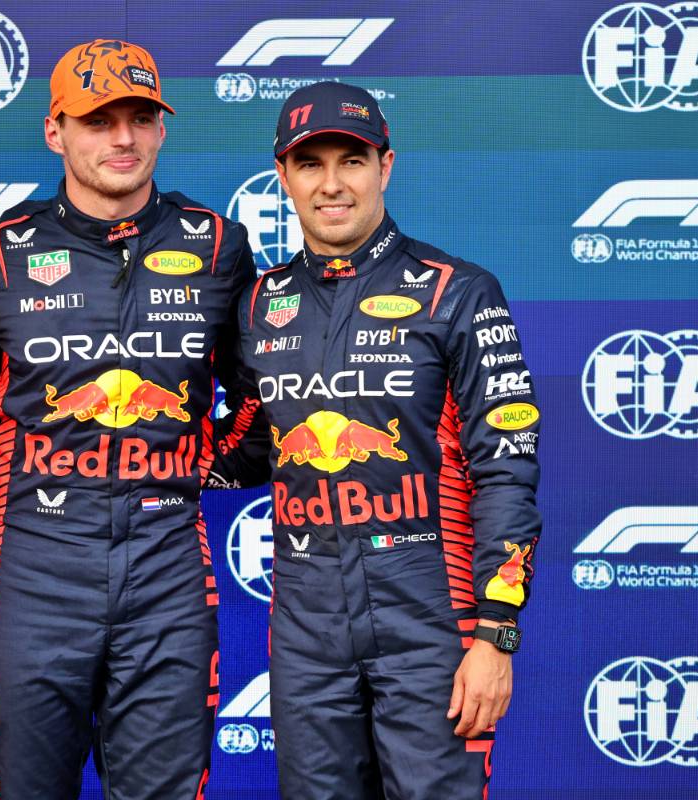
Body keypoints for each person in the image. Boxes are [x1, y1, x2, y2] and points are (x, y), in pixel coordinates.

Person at [0, 38, 261, 800]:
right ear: (56, 131)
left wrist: (194, 469)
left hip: (168, 575)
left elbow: (258, 401)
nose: (122, 138)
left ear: (161, 128)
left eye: (140, 117)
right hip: (33, 573)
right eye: (97, 119)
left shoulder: (218, 248)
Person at [224, 82, 540, 798]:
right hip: (305, 624)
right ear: (283, 177)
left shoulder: (459, 292)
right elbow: (247, 445)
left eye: (352, 160)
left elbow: (508, 472)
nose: (332, 184)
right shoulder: (256, 304)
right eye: (310, 165)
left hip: (434, 614)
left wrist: (496, 635)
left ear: (385, 166)